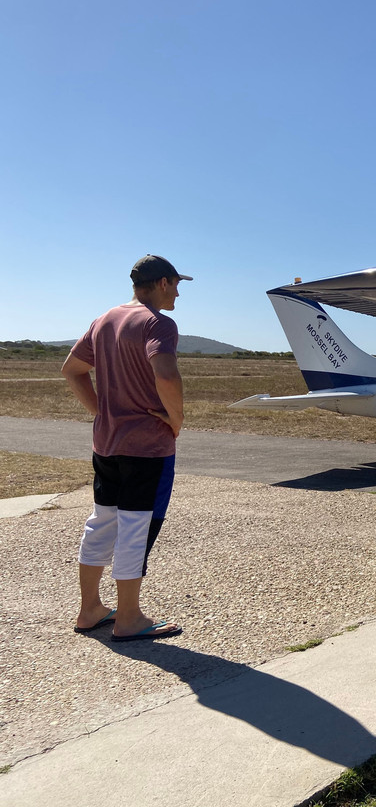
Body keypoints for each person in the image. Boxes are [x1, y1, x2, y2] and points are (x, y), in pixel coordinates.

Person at [62, 255, 191, 642]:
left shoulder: (104, 319)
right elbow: (166, 373)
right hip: (146, 447)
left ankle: (90, 609)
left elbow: (72, 369)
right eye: (176, 284)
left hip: (107, 443)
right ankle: (130, 618)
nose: (179, 292)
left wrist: (103, 411)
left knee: (102, 522)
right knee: (137, 526)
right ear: (163, 283)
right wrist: (176, 419)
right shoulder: (158, 323)